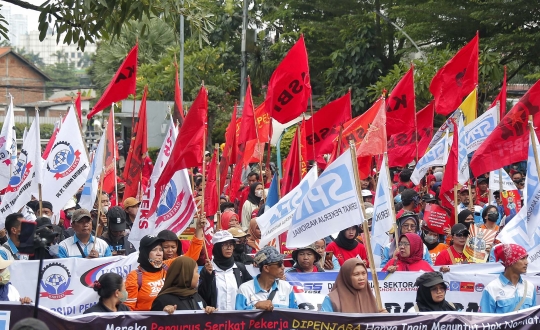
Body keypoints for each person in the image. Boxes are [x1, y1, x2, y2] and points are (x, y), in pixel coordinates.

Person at [124, 215, 205, 311]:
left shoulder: (167, 266)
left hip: (167, 323)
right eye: (154, 250)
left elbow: (191, 258)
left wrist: (199, 229)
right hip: (146, 324)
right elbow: (128, 311)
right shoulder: (135, 277)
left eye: (160, 249)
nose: (159, 253)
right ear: (145, 253)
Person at [198, 230, 253, 310]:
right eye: (225, 245)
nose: (229, 247)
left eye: (231, 244)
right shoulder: (208, 269)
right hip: (215, 320)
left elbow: (250, 290)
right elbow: (203, 297)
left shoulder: (239, 268)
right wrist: (208, 276)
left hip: (237, 320)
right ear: (217, 247)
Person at [235, 246, 298, 310]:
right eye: (279, 264)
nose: (283, 267)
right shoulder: (245, 289)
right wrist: (255, 307)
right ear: (266, 268)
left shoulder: (286, 287)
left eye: (283, 263)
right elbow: (238, 317)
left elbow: (294, 315)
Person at [480, 244, 535, 313]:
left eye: (526, 258)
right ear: (510, 261)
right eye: (522, 258)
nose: (527, 262)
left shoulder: (530, 287)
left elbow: (533, 319)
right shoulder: (492, 288)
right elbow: (485, 320)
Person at [151, 256, 216, 314]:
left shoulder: (196, 296)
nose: (198, 275)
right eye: (196, 272)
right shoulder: (163, 300)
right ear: (186, 275)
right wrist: (163, 313)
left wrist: (209, 311)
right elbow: (152, 323)